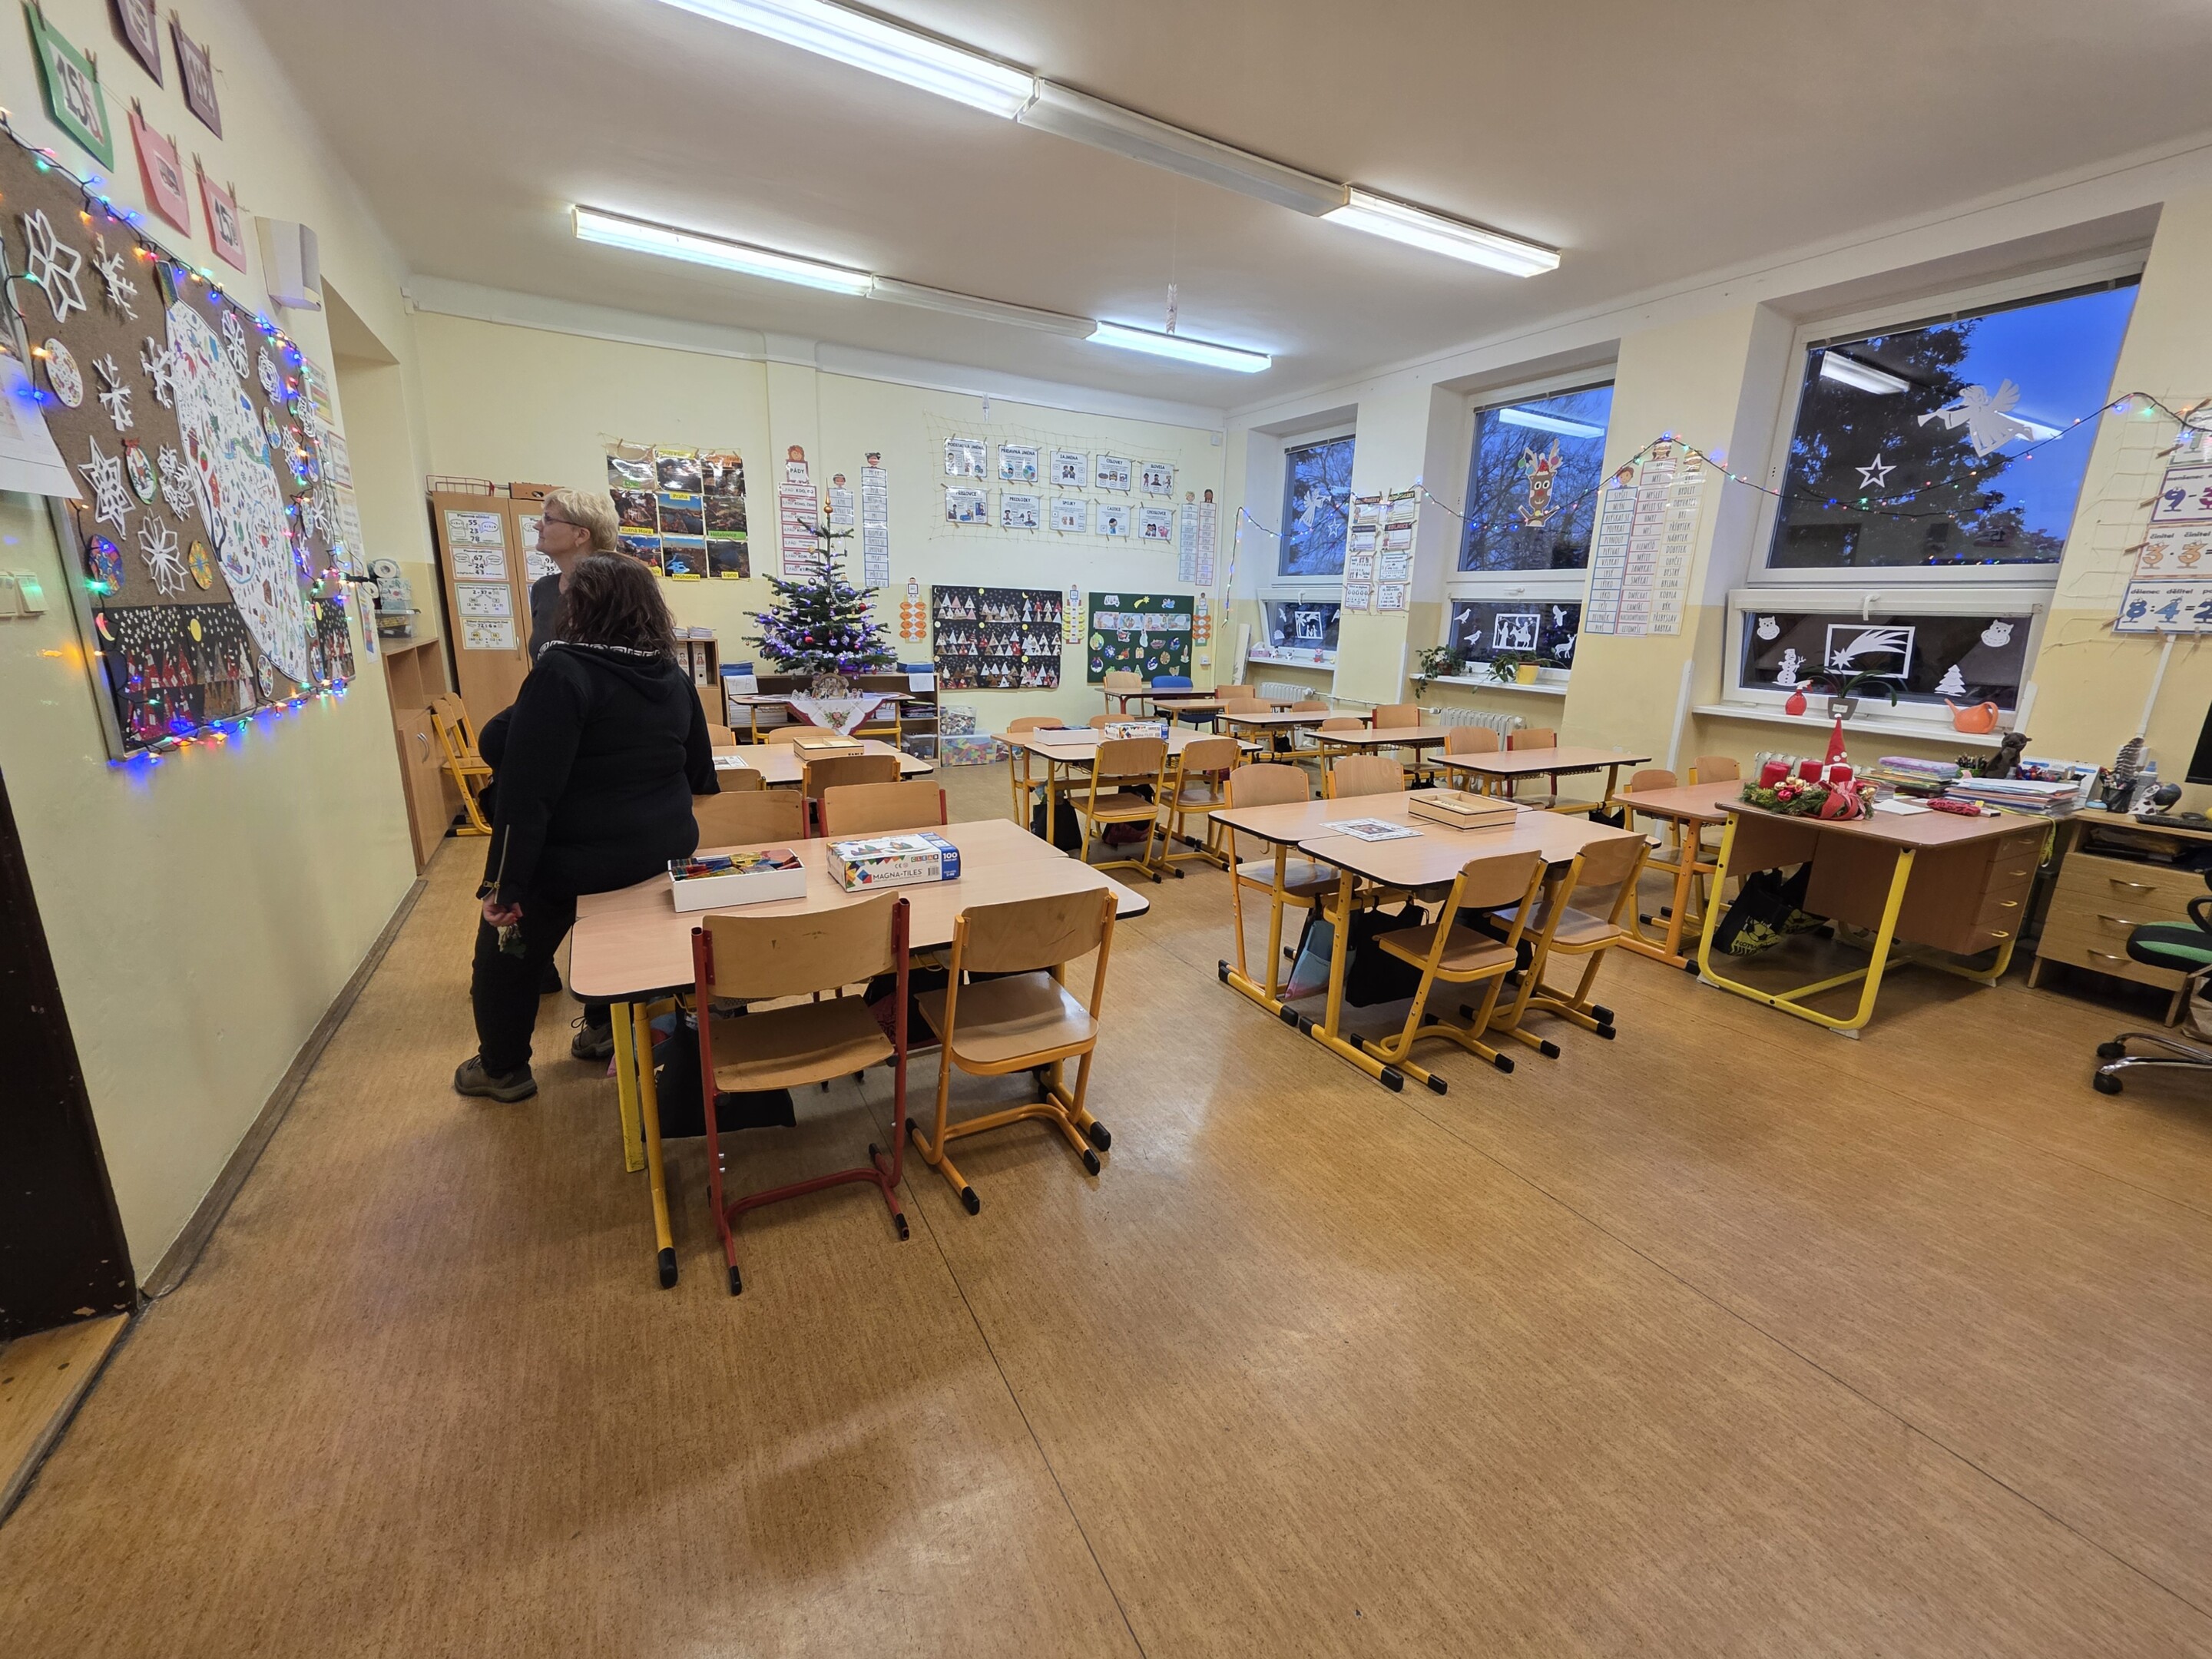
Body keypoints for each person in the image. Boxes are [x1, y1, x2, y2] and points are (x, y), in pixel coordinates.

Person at [455, 553, 718, 1102]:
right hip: (659, 856)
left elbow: (526, 797)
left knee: (504, 957)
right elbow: (700, 772)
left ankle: (502, 1069)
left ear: (580, 608)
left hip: (573, 859)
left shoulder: (562, 672)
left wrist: (504, 886)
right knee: (613, 935)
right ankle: (602, 1029)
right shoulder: (670, 675)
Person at [526, 488, 621, 661]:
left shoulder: (621, 590)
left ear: (581, 535)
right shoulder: (543, 588)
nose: (537, 526)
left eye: (548, 519)